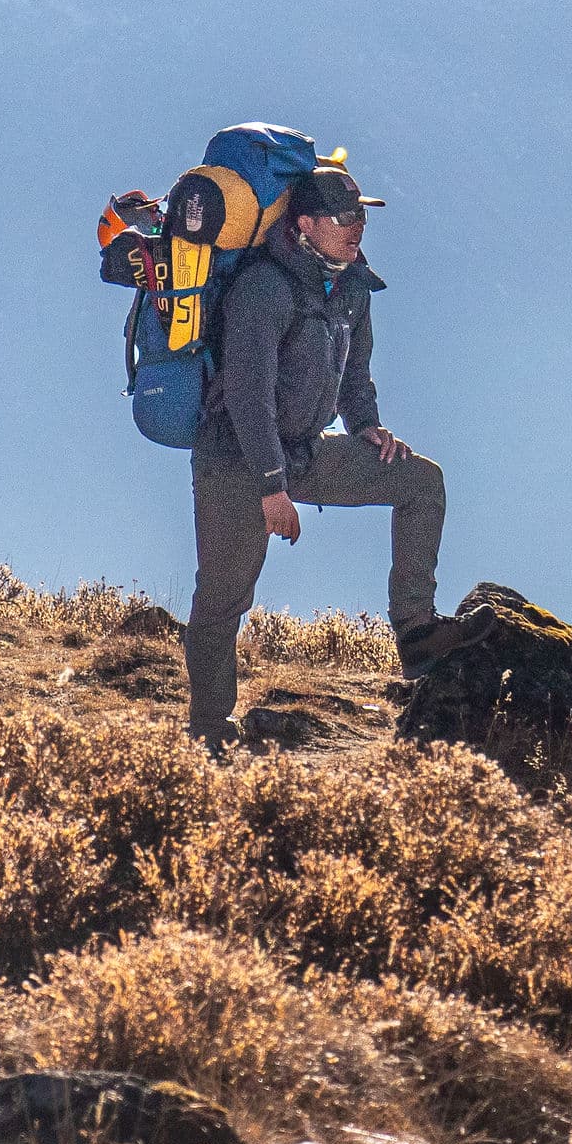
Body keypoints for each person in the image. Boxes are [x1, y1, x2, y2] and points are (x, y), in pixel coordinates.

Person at [184, 163, 445, 749]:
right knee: (224, 597)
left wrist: (369, 427)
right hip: (236, 457)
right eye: (343, 218)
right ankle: (208, 729)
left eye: (361, 217)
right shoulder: (264, 286)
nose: (357, 228)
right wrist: (272, 485)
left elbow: (356, 374)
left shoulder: (352, 286)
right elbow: (249, 393)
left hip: (302, 449)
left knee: (421, 483)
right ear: (304, 224)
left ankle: (417, 634)